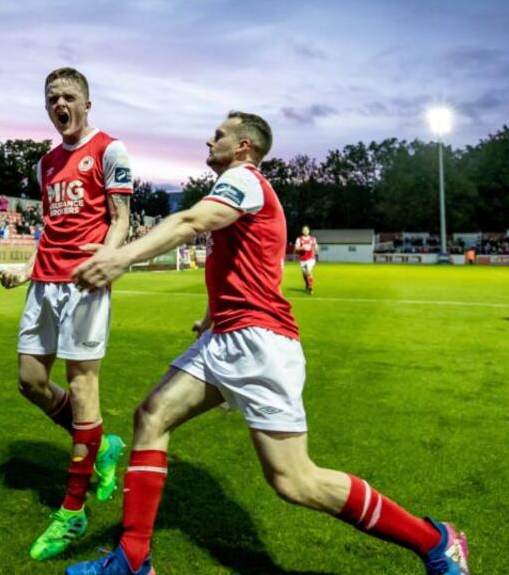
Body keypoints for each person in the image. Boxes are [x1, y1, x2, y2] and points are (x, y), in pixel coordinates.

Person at [67, 111, 469, 575]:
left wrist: (120, 257)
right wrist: (210, 316)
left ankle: (436, 540)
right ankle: (133, 559)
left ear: (243, 147)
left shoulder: (246, 180)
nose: (208, 139)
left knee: (295, 480)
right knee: (151, 415)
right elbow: (248, 262)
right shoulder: (238, 187)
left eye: (218, 135)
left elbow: (192, 220)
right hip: (227, 335)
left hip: (260, 344)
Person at [0, 67, 133, 561]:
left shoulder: (110, 151)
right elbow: (51, 228)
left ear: (87, 102)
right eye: (52, 96)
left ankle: (72, 510)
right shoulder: (45, 164)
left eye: (69, 96)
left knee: (81, 387)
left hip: (84, 284)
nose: (60, 103)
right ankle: (104, 445)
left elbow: (120, 220)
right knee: (30, 380)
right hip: (44, 282)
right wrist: (27, 268)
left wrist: (108, 259)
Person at [294, 225, 318, 294]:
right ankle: (307, 284)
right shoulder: (299, 239)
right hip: (303, 259)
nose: (305, 231)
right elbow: (296, 248)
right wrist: (302, 248)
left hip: (311, 258)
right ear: (302, 231)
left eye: (307, 230)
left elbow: (316, 246)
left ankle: (310, 288)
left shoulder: (313, 239)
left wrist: (316, 248)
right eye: (304, 230)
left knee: (309, 271)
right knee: (304, 274)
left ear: (309, 231)